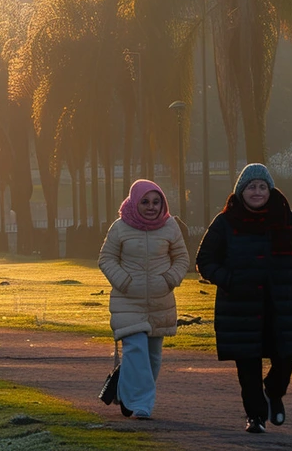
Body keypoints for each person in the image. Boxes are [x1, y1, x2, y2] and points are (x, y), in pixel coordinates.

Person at [196, 163, 292, 434]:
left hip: (283, 303)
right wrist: (229, 279)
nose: (257, 192)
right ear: (240, 191)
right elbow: (204, 260)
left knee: (286, 358)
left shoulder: (287, 219)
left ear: (270, 189)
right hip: (240, 306)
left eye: (262, 186)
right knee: (248, 365)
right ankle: (255, 415)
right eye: (251, 187)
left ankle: (274, 392)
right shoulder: (225, 222)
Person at [97, 179, 190, 421]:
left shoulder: (170, 227)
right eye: (145, 202)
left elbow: (182, 258)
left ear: (162, 203)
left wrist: (169, 279)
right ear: (134, 202)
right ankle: (142, 404)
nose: (151, 207)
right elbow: (106, 258)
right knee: (135, 349)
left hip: (160, 302)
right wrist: (124, 281)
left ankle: (125, 393)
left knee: (152, 357)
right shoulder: (119, 227)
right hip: (128, 301)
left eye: (156, 202)